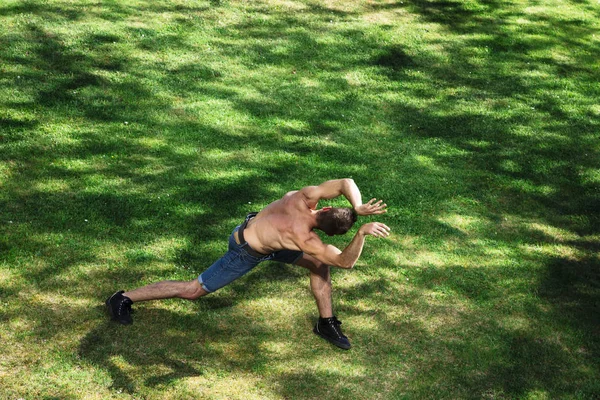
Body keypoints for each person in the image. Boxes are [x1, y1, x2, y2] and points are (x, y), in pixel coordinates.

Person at [106, 179, 390, 349]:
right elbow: (345, 261)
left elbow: (345, 184)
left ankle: (326, 324)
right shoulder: (305, 239)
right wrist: (361, 232)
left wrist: (358, 205)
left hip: (259, 231)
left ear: (325, 207)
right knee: (193, 291)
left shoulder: (304, 196)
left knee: (319, 265)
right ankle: (122, 298)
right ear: (326, 233)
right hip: (246, 250)